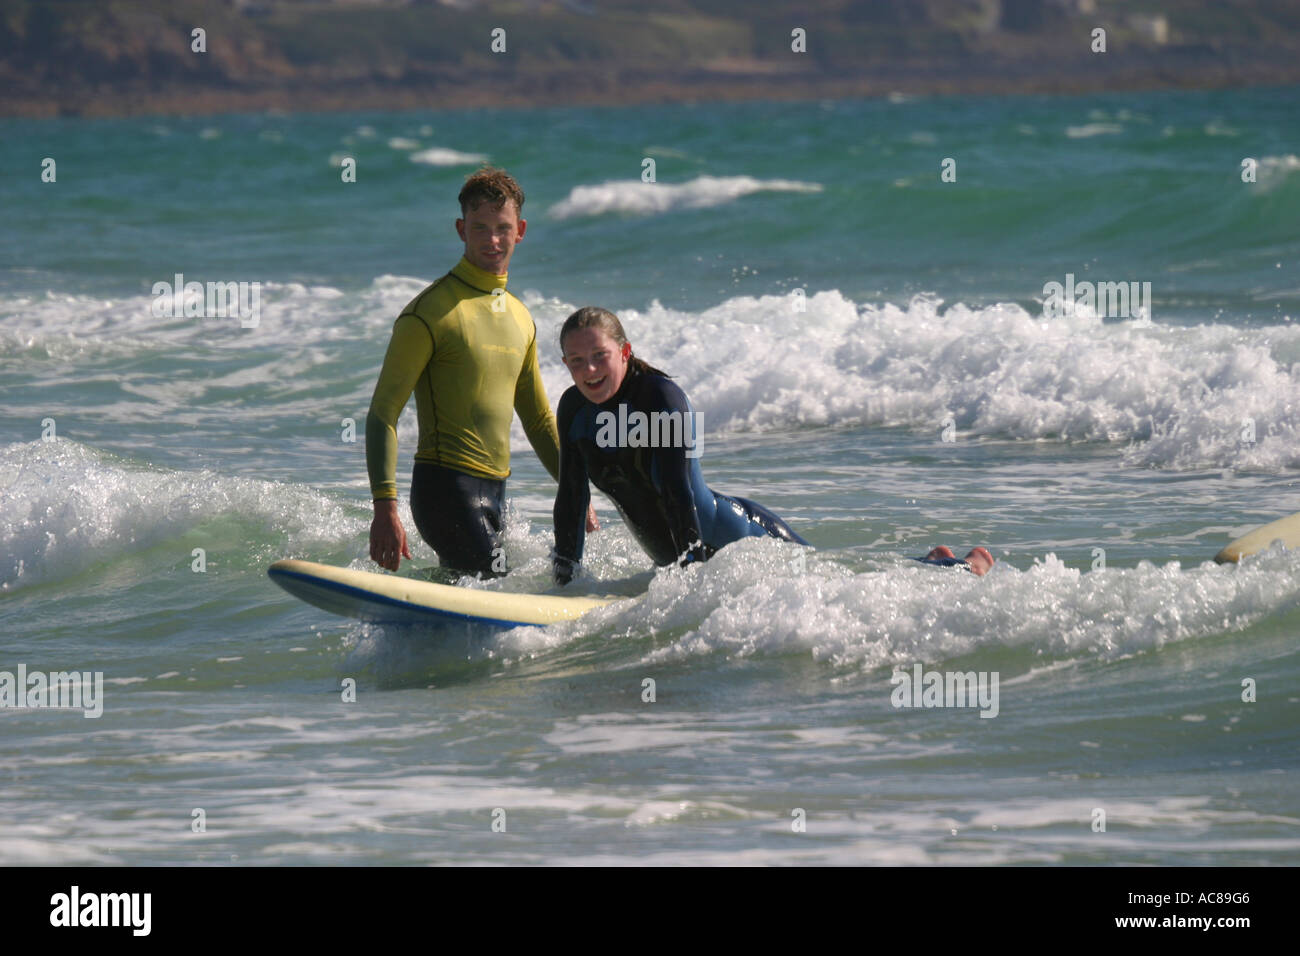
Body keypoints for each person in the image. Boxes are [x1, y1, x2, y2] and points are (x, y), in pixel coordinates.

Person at [365, 167, 595, 577]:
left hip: (496, 493)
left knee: (475, 598)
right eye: (480, 228)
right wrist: (385, 508)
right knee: (494, 587)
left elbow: (539, 420)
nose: (492, 240)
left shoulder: (521, 317)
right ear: (460, 229)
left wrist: (575, 492)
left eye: (502, 228)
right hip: (443, 490)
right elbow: (384, 412)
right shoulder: (429, 313)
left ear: (520, 230)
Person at [551, 307, 808, 585]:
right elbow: (571, 500)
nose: (589, 369)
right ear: (565, 364)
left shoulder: (659, 399)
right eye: (577, 360)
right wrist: (564, 581)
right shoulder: (574, 410)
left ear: (625, 352)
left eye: (600, 355)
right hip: (679, 564)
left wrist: (689, 584)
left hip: (741, 546)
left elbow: (677, 494)